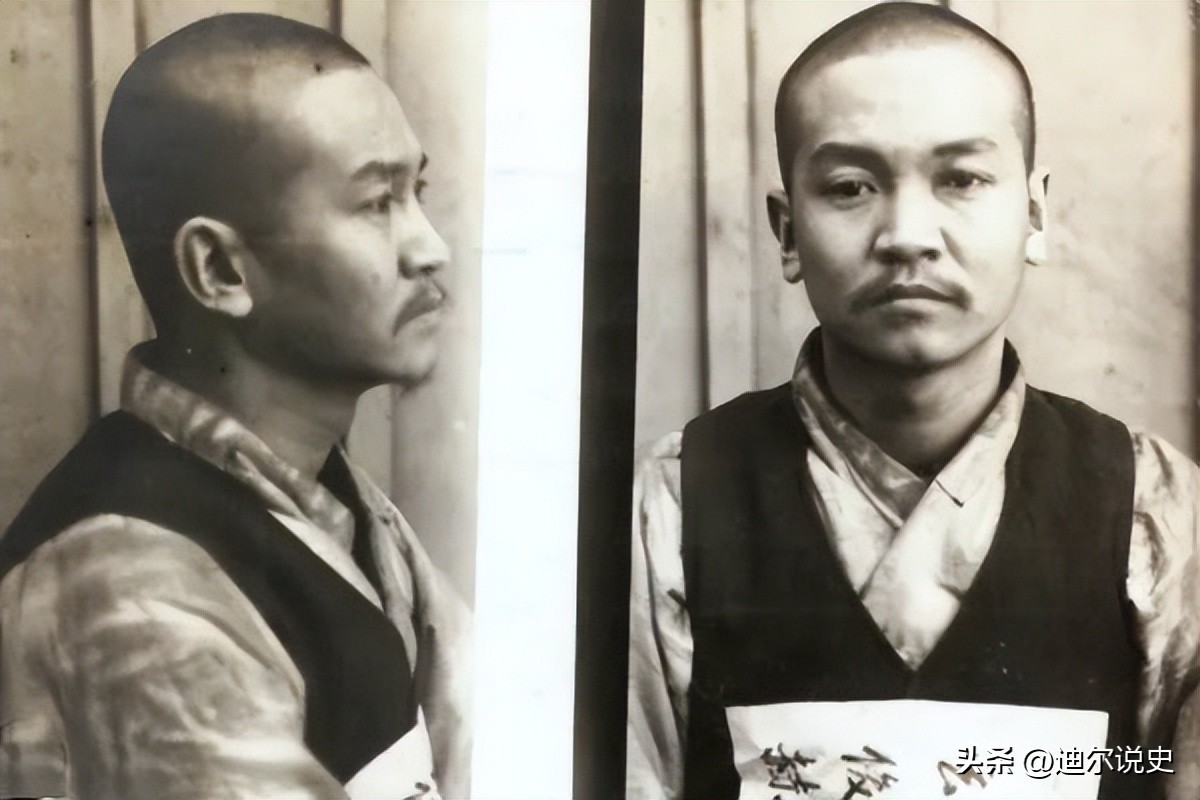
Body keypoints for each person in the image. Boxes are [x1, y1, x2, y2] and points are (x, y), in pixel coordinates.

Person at [626, 4, 1198, 799]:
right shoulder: (671, 505)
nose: (907, 235)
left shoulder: (1156, 507)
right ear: (787, 232)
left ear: (1034, 213)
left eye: (961, 179)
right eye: (850, 187)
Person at [0, 13, 470, 800]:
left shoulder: (331, 500)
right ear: (219, 269)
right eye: (375, 203)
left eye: (416, 192)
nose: (431, 248)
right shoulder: (128, 585)